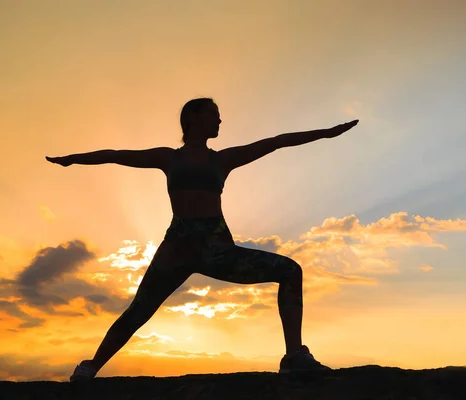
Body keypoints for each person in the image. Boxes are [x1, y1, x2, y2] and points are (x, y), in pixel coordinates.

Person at [46, 98, 359, 382]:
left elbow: (275, 143)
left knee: (290, 270)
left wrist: (326, 133)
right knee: (139, 309)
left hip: (216, 251)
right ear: (192, 118)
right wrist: (73, 159)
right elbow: (116, 156)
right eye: (214, 116)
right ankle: (91, 366)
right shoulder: (168, 158)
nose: (220, 122)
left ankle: (294, 357)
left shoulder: (222, 160)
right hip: (178, 248)